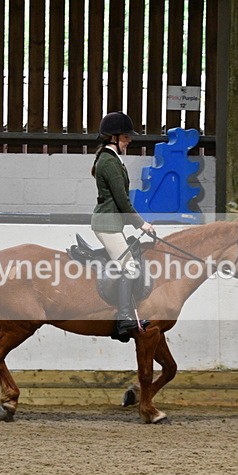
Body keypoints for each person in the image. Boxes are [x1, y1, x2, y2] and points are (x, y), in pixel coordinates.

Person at [91, 111, 155, 337]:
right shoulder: (109, 162)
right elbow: (122, 200)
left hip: (111, 223)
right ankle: (124, 318)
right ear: (113, 137)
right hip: (106, 225)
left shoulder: (112, 159)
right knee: (130, 267)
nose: (130, 140)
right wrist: (142, 225)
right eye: (126, 137)